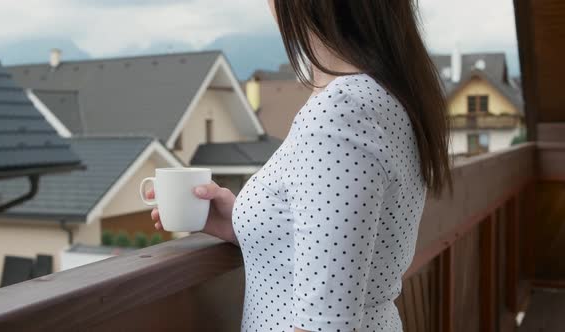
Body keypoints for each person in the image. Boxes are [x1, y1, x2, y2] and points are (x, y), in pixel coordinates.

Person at [148, 1, 453, 331]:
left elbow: (324, 325)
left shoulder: (339, 115)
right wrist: (244, 221)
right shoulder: (384, 96)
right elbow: (339, 247)